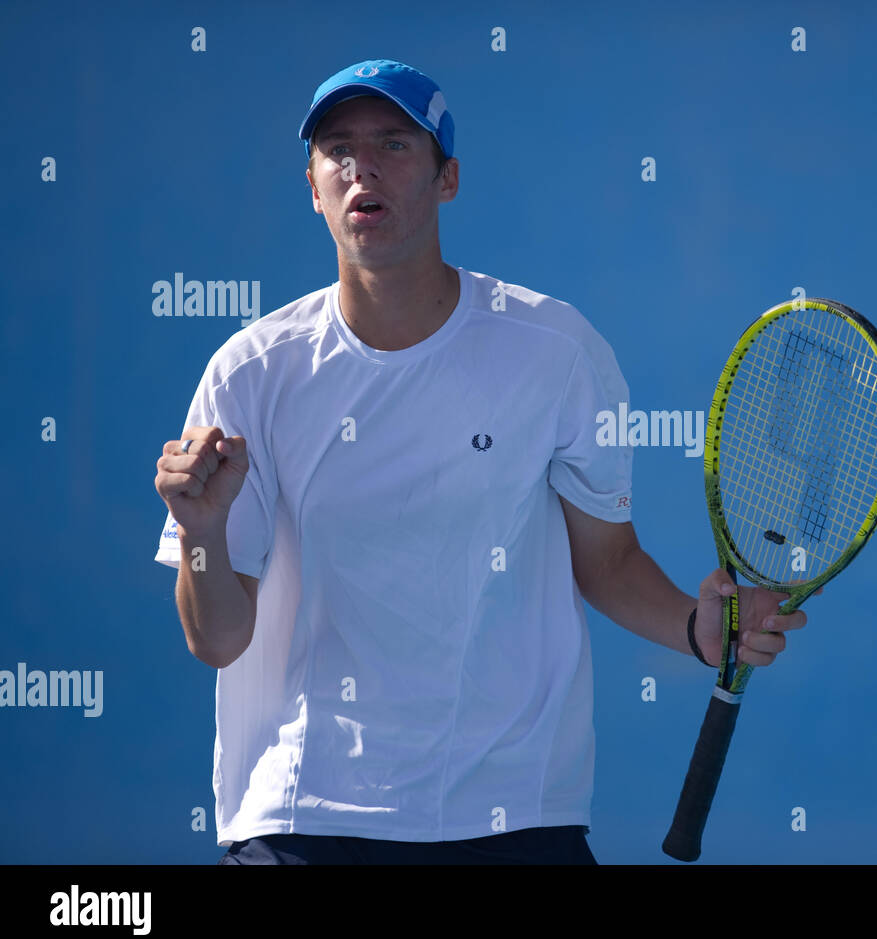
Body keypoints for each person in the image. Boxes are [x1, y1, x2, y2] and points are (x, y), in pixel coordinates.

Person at [152, 59, 808, 865]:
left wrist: (694, 628)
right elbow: (217, 641)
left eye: (394, 143)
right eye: (338, 149)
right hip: (304, 819)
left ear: (447, 177)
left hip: (516, 816)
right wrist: (203, 531)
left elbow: (606, 562)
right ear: (314, 186)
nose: (363, 165)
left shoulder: (555, 350)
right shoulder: (249, 372)